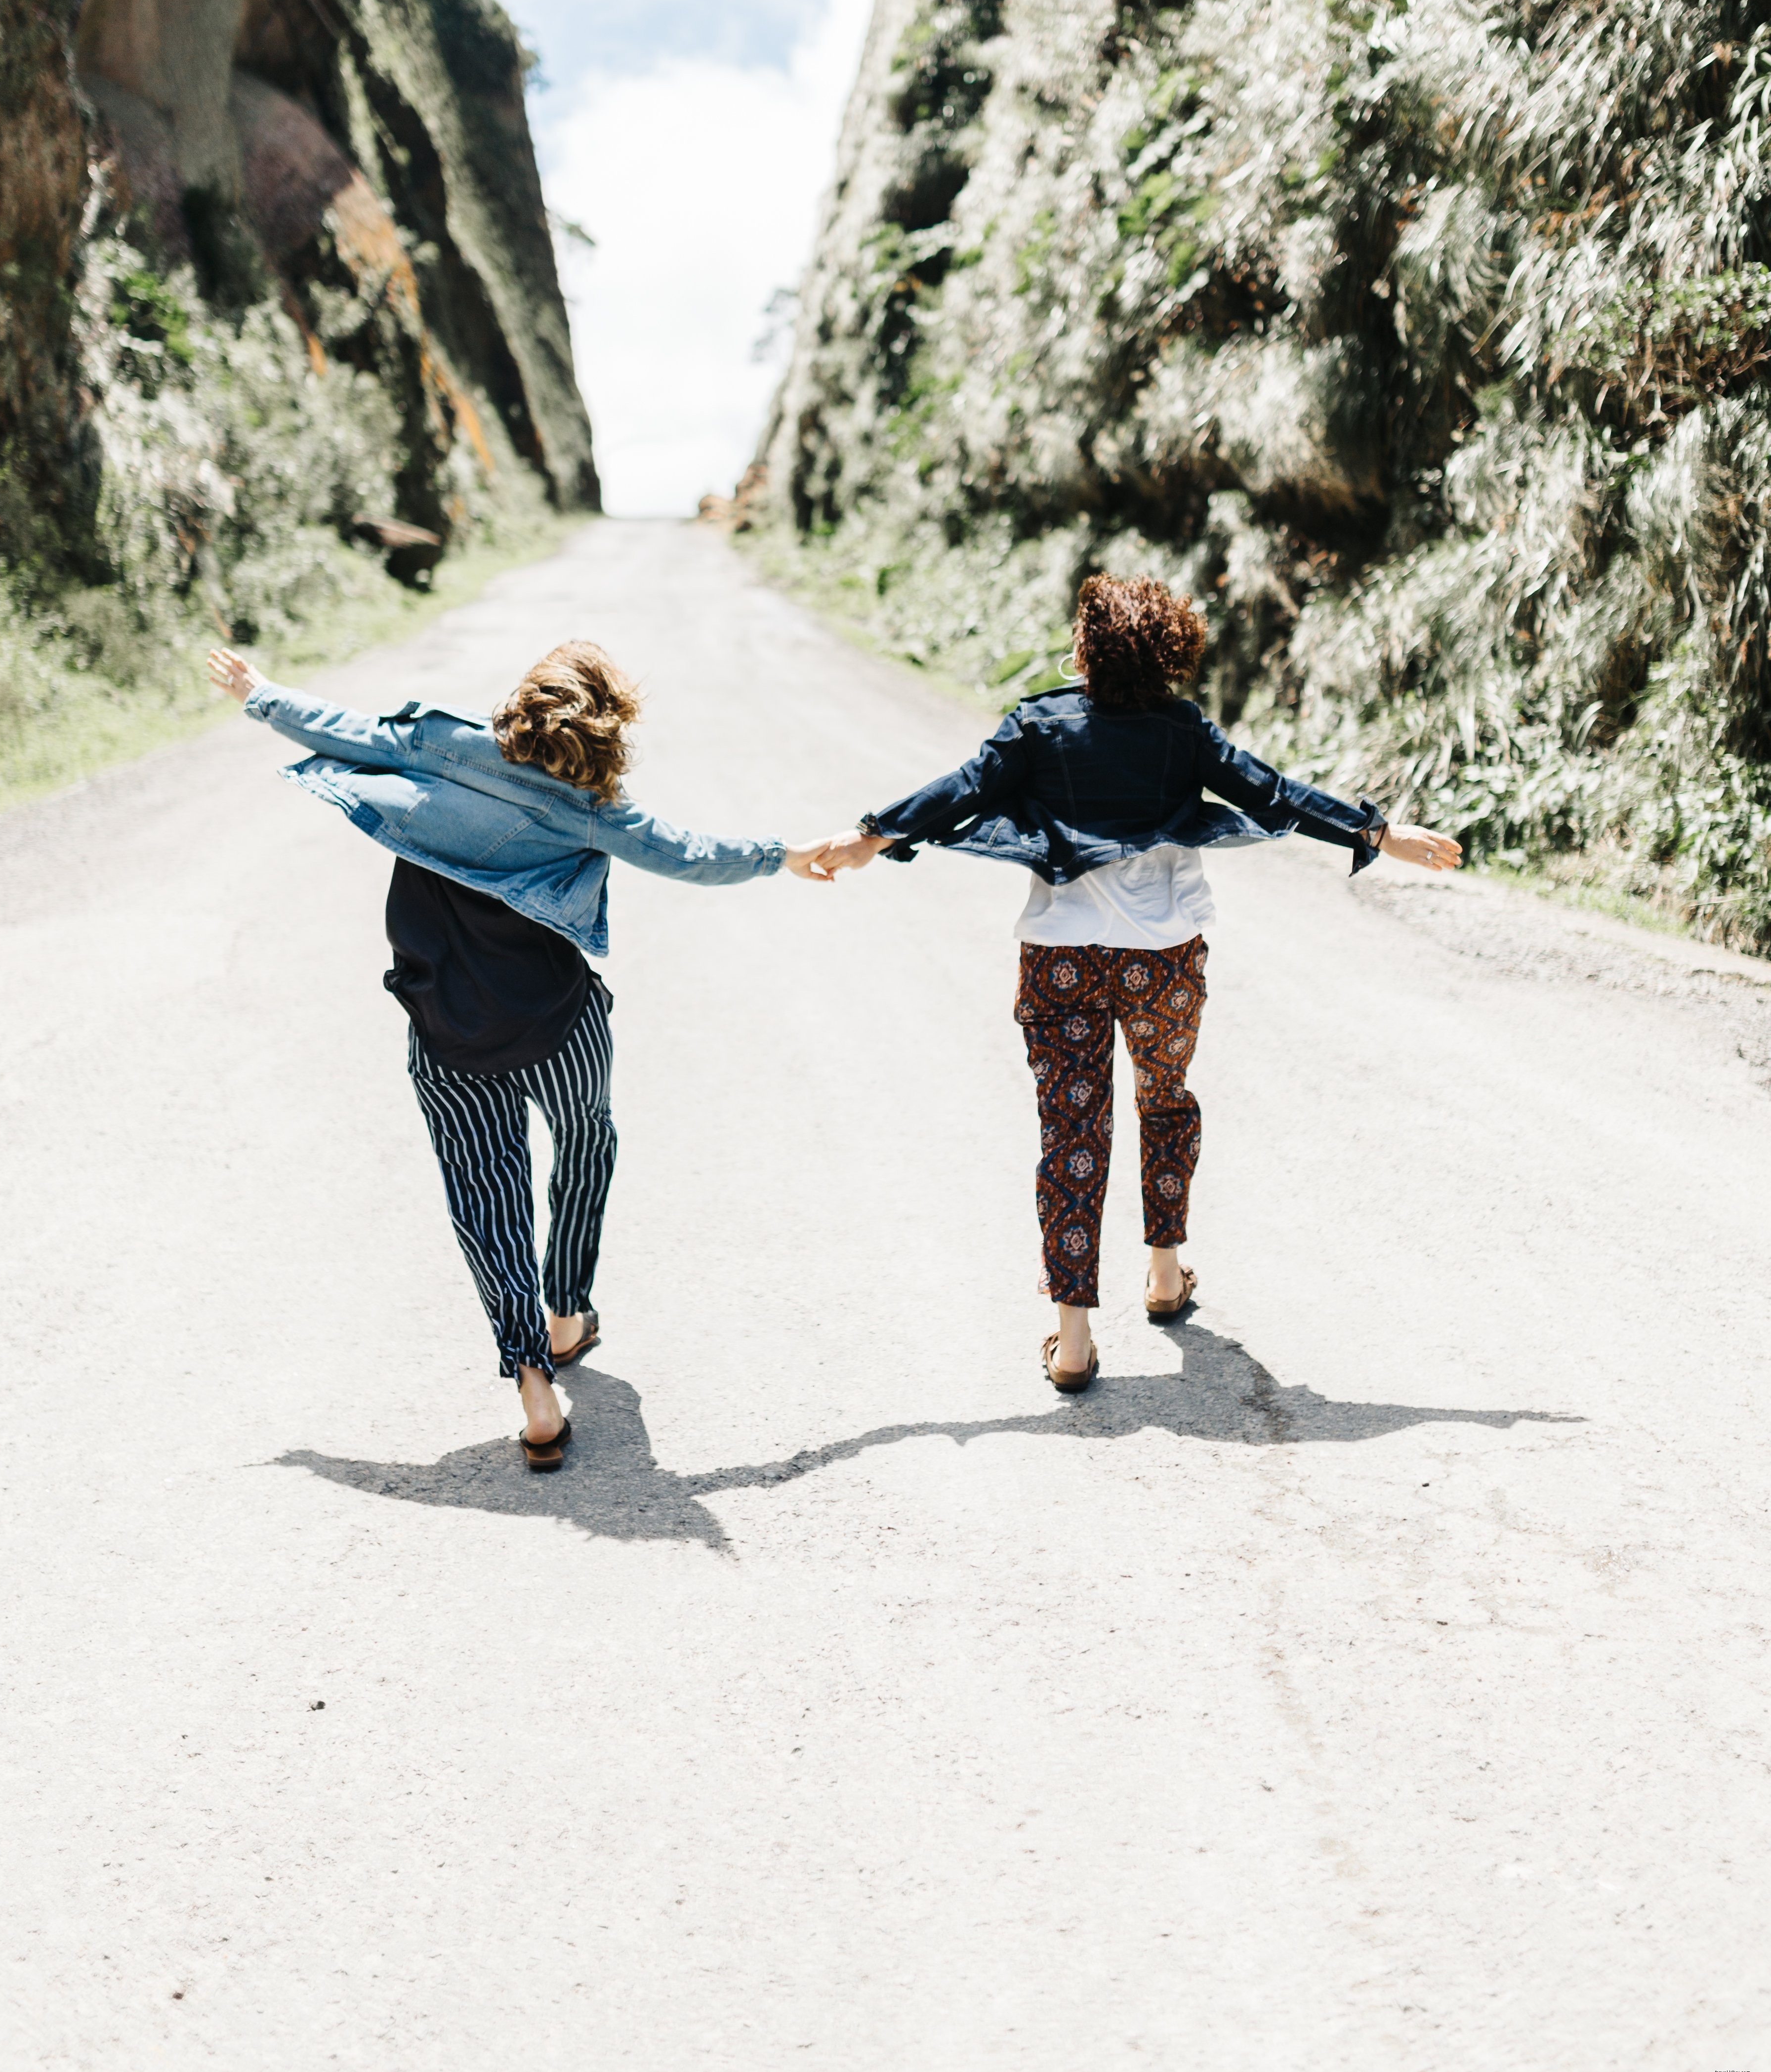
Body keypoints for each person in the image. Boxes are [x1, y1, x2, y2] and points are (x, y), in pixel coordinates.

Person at [815, 573, 1462, 1393]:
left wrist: (870, 836)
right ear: (1169, 652)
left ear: (1086, 647)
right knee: (1164, 1098)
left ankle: (1074, 1340)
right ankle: (1164, 1274)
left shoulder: (1038, 725)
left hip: (1060, 957)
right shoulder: (1182, 732)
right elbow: (1273, 794)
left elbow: (959, 794)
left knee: (1070, 1131)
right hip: (1164, 955)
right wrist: (1378, 831)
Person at [208, 639, 828, 1468]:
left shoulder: (443, 747)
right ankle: (568, 1309)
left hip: (446, 1030)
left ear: (524, 704)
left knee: (484, 1192)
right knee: (586, 1141)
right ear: (605, 729)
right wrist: (783, 855)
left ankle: (534, 1382)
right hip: (559, 1025)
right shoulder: (594, 809)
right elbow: (687, 851)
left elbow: (342, 727)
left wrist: (259, 692)